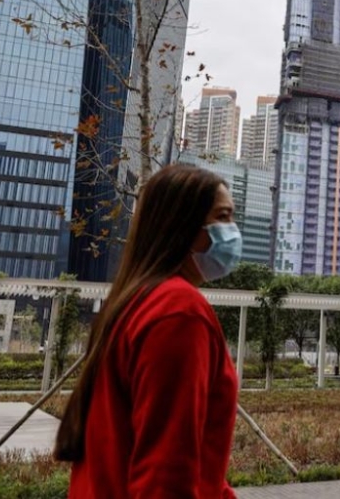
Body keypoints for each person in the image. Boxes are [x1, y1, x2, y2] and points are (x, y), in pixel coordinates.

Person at [54, 164, 242, 498]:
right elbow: (166, 471)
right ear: (182, 226)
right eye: (223, 217)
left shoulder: (131, 301)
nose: (233, 231)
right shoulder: (178, 311)